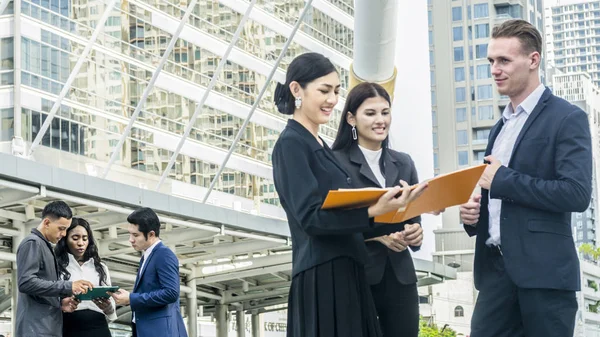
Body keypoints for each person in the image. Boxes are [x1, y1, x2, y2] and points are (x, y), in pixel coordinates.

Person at [271, 52, 426, 337]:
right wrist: (372, 211)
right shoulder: (291, 143)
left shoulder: (316, 143)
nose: (332, 100)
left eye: (336, 91)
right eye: (324, 91)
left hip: (345, 271)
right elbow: (311, 217)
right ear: (296, 90)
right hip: (323, 275)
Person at [459, 19, 592, 337]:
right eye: (491, 61)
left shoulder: (567, 118)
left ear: (533, 60)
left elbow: (575, 193)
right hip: (495, 277)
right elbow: (497, 196)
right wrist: (473, 217)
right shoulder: (499, 128)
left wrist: (502, 180)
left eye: (504, 60)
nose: (494, 69)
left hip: (545, 278)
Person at [331, 82, 424, 337]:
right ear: (351, 118)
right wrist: (378, 237)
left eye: (385, 112)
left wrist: (415, 233)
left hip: (401, 277)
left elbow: (413, 216)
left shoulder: (403, 162)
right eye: (370, 113)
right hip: (357, 276)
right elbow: (331, 225)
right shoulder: (334, 163)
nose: (380, 120)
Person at [16, 200, 94, 337]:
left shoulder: (44, 246)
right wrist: (68, 286)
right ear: (46, 223)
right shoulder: (33, 243)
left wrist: (60, 303)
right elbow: (26, 282)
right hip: (36, 329)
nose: (64, 234)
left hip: (46, 327)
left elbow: (41, 287)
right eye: (61, 228)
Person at [110, 207, 187, 337]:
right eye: (130, 234)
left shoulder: (163, 254)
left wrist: (131, 298)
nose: (131, 239)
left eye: (136, 235)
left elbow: (171, 292)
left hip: (160, 331)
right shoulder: (147, 255)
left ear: (151, 234)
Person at [55, 217, 117, 337]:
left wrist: (108, 307)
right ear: (65, 239)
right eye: (75, 238)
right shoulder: (58, 266)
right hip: (69, 326)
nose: (81, 243)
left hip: (98, 326)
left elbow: (111, 304)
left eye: (85, 238)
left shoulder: (100, 267)